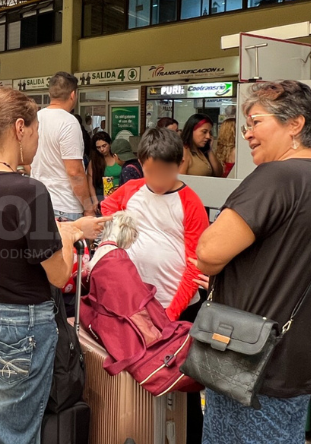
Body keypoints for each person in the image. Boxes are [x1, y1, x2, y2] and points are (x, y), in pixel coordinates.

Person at [194, 80, 311, 443]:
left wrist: (217, 266)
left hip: (251, 364)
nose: (247, 134)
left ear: (295, 124)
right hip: (292, 363)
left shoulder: (277, 176)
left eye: (256, 122)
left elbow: (208, 253)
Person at [0, 86, 85, 444]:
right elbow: (58, 273)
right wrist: (67, 237)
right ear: (20, 128)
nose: (37, 141)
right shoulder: (30, 190)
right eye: (38, 132)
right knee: (14, 434)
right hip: (19, 327)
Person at [101, 127, 209, 444]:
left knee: (181, 381)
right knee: (142, 379)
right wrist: (119, 230)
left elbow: (195, 264)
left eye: (163, 172)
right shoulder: (133, 188)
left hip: (174, 310)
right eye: (150, 171)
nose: (156, 179)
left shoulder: (190, 203)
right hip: (135, 306)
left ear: (179, 165)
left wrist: (170, 314)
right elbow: (108, 208)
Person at [31, 72, 94, 221]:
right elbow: (75, 172)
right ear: (73, 95)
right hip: (65, 207)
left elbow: (27, 161)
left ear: (50, 93)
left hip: (38, 201)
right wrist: (88, 207)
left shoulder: (35, 118)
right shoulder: (69, 122)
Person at [88, 131, 118, 209]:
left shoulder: (118, 157)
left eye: (104, 146)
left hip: (120, 197)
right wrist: (95, 201)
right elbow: (90, 183)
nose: (102, 149)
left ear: (110, 144)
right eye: (98, 147)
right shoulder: (94, 162)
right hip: (103, 198)